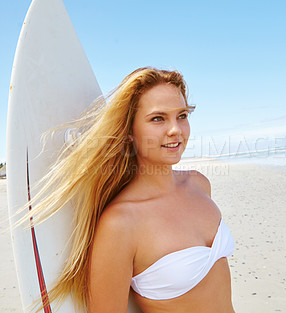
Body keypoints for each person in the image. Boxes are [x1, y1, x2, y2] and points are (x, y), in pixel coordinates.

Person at [24, 67, 235, 313]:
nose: (175, 129)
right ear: (130, 133)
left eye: (182, 115)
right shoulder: (121, 223)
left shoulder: (200, 184)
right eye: (158, 118)